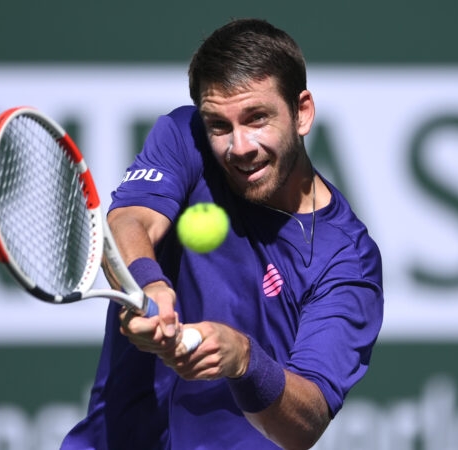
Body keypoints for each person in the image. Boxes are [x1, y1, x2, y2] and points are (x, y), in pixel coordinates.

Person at [61, 18, 384, 450]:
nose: (240, 146)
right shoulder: (184, 137)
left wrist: (243, 359)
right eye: (220, 125)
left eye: (257, 118)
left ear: (302, 111)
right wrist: (149, 284)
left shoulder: (348, 259)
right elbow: (127, 222)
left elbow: (304, 423)